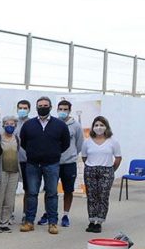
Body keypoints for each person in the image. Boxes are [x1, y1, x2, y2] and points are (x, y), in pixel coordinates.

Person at [19, 97, 70, 234]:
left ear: (50, 107)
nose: (43, 107)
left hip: (52, 164)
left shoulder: (60, 125)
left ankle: (53, 223)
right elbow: (23, 143)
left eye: (45, 105)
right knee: (32, 193)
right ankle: (29, 221)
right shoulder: (28, 125)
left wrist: (53, 153)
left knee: (52, 193)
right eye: (40, 105)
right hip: (33, 164)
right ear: (36, 108)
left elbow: (65, 144)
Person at [38, 99, 84, 228]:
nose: (62, 112)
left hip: (69, 163)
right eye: (60, 109)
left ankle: (65, 215)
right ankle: (48, 213)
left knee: (68, 190)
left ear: (69, 110)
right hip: (52, 162)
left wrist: (70, 155)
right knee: (50, 190)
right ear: (56, 110)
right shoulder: (52, 124)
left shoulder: (76, 126)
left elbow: (79, 145)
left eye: (65, 109)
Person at [81, 116, 122, 233]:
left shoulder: (113, 142)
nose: (99, 128)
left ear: (106, 127)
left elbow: (118, 157)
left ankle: (99, 221)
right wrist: (91, 166)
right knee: (92, 196)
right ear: (93, 127)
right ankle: (92, 220)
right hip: (90, 170)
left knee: (103, 196)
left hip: (107, 171)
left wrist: (111, 170)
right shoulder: (87, 142)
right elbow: (84, 157)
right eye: (96, 125)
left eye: (101, 125)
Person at [0, 115, 22, 232]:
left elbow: (17, 151)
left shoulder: (17, 138)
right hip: (2, 171)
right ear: (3, 125)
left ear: (15, 125)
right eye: (7, 124)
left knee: (9, 199)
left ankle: (5, 222)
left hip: (14, 172)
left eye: (12, 124)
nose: (9, 126)